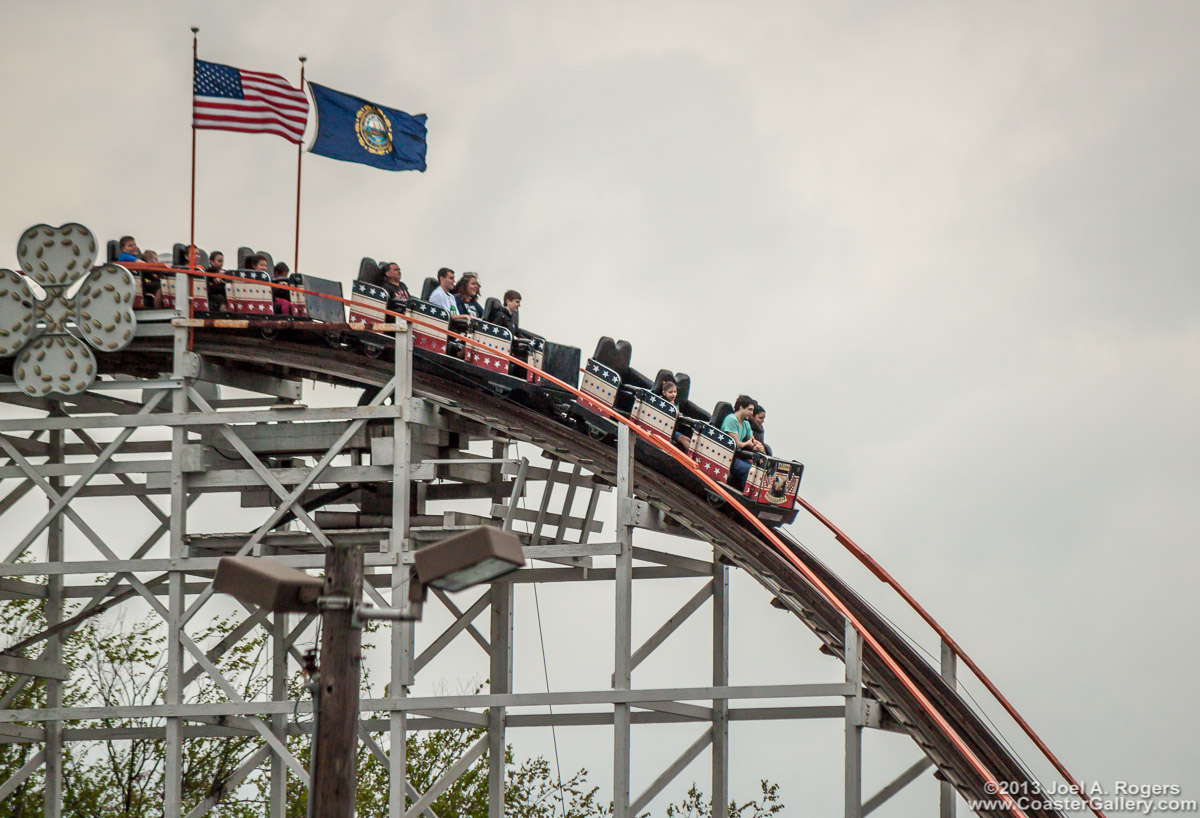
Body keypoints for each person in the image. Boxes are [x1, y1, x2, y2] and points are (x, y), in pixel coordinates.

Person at [721, 394, 765, 488]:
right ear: (741, 407)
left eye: (752, 410)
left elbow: (751, 440)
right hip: (726, 455)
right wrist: (748, 444)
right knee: (749, 470)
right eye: (750, 409)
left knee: (759, 470)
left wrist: (757, 447)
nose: (752, 413)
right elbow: (736, 444)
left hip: (736, 455)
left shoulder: (745, 423)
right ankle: (746, 495)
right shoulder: (731, 420)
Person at [655, 375, 691, 451]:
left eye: (675, 392)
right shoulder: (665, 404)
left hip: (673, 429)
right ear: (664, 393)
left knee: (687, 439)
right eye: (670, 392)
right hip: (666, 429)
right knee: (683, 439)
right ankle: (691, 456)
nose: (673, 394)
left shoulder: (675, 404)